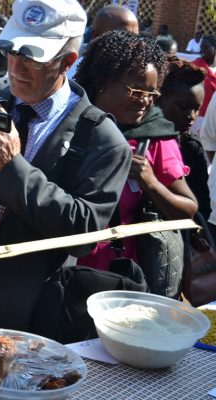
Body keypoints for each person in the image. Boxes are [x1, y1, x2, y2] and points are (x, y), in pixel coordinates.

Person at [0, 0, 131, 392]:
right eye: (12, 50)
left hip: (23, 312)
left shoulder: (102, 140)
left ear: (67, 62)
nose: (16, 67)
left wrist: (14, 169)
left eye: (32, 57)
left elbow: (84, 232)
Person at [75, 31, 197, 285]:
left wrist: (149, 182)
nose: (144, 101)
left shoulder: (153, 137)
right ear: (102, 82)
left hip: (116, 276)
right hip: (57, 264)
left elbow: (188, 209)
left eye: (151, 94)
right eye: (136, 90)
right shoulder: (67, 123)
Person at [159, 58, 209, 222]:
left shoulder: (192, 148)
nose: (191, 117)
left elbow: (202, 207)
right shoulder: (138, 143)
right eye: (183, 106)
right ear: (158, 100)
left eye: (196, 109)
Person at [68, 4, 138, 80]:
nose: (132, 43)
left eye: (136, 38)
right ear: (96, 36)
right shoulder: (73, 70)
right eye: (125, 37)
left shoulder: (136, 70)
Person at [191, 35, 216, 135]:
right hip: (198, 117)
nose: (201, 50)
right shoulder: (194, 67)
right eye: (201, 47)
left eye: (205, 47)